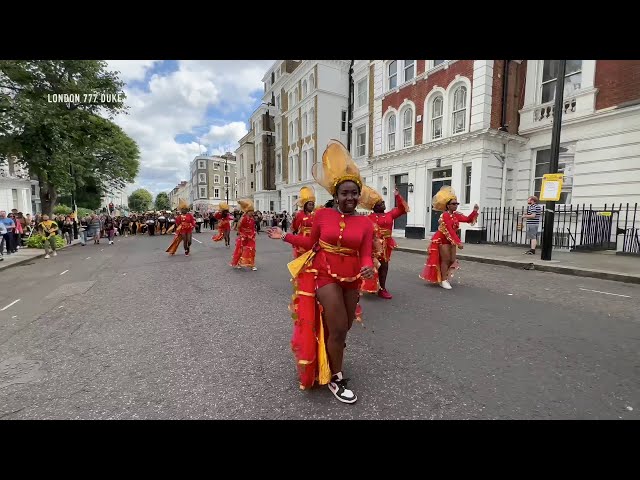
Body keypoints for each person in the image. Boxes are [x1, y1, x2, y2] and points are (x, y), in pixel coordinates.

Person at [267, 140, 374, 404]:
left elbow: (366, 253)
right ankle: (336, 378)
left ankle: (329, 355)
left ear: (358, 196)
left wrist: (368, 267)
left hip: (352, 278)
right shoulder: (322, 216)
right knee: (338, 327)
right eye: (344, 193)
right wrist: (285, 237)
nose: (349, 198)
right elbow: (311, 243)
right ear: (336, 195)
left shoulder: (366, 223)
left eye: (353, 193)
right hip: (323, 274)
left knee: (343, 328)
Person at [420, 186, 479, 289]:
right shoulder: (445, 216)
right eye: (453, 204)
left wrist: (474, 211)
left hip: (451, 240)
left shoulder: (456, 215)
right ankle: (443, 280)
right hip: (442, 239)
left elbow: (467, 219)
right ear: (447, 205)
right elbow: (449, 230)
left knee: (452, 259)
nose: (455, 205)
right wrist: (458, 242)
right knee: (445, 259)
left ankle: (444, 277)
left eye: (457, 204)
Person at [358, 185, 409, 299]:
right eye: (380, 203)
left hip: (386, 245)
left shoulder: (390, 214)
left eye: (383, 202)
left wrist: (398, 196)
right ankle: (369, 286)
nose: (383, 204)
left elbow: (402, 209)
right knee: (373, 265)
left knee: (384, 266)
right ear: (373, 206)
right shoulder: (368, 217)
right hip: (373, 245)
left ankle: (382, 288)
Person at [230, 199, 257, 270]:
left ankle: (252, 264)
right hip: (243, 236)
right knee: (240, 249)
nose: (252, 213)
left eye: (252, 211)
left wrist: (253, 232)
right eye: (251, 211)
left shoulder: (252, 219)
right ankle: (238, 262)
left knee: (252, 250)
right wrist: (241, 234)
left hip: (251, 237)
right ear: (247, 212)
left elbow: (252, 227)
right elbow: (239, 226)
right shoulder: (243, 218)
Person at [290, 186, 316, 258]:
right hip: (302, 237)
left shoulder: (315, 215)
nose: (311, 206)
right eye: (309, 205)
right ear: (305, 205)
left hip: (313, 238)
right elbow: (295, 226)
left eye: (312, 205)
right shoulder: (299, 214)